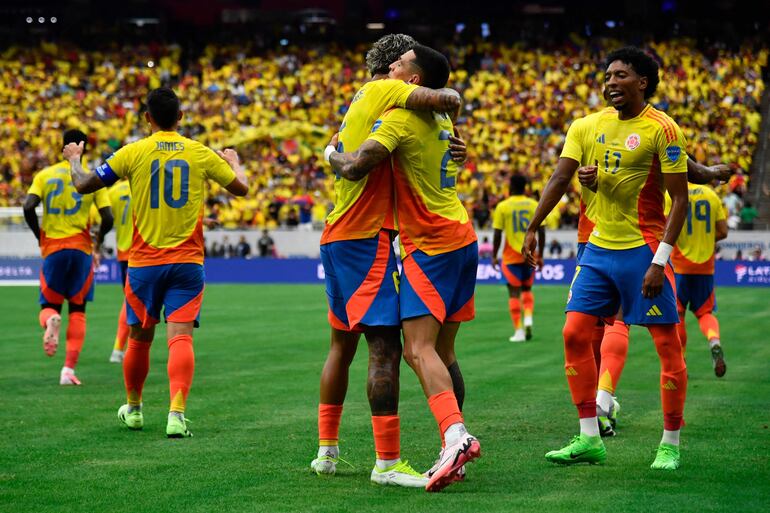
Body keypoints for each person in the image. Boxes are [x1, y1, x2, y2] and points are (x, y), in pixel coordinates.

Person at [523, 47, 689, 470]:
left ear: (643, 83)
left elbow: (680, 199)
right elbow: (560, 177)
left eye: (621, 75)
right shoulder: (586, 125)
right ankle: (589, 437)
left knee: (667, 347)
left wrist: (660, 261)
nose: (610, 82)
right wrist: (534, 224)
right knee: (574, 334)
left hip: (644, 251)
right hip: (597, 249)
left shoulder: (663, 129)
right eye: (608, 75)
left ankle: (669, 443)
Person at [312, 34, 465, 489]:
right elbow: (443, 97)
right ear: (396, 72)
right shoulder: (387, 93)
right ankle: (388, 462)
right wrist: (448, 103)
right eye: (399, 61)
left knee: (342, 343)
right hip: (366, 237)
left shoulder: (362, 101)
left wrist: (450, 138)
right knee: (387, 348)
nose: (400, 66)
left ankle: (326, 452)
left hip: (340, 232)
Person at [64, 87, 248, 438]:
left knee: (139, 339)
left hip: (144, 263)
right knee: (180, 339)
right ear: (181, 117)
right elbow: (241, 188)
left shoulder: (132, 152)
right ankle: (176, 415)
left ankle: (133, 409)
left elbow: (84, 184)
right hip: (188, 263)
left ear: (147, 118)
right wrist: (235, 164)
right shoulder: (199, 153)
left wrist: (74, 157)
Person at [23, 129, 114, 385]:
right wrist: (98, 243)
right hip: (82, 250)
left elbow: (28, 206)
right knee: (78, 310)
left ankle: (50, 321)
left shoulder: (45, 175)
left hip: (53, 249)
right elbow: (107, 218)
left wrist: (38, 234)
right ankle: (68, 371)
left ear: (63, 147)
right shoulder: (90, 178)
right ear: (82, 148)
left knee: (48, 306)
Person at [666, 183, 729, 377]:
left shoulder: (673, 194)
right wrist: (704, 239)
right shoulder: (712, 195)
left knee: (678, 314)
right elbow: (723, 231)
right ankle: (714, 340)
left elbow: (665, 227)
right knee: (705, 312)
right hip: (705, 266)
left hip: (679, 265)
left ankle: (681, 361)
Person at [491, 174, 544, 342]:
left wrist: (494, 255)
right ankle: (528, 318)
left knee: (513, 294)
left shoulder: (503, 206)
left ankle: (519, 331)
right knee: (527, 290)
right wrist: (540, 254)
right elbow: (542, 231)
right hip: (530, 255)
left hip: (511, 255)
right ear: (525, 188)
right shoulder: (534, 204)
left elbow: (497, 233)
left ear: (511, 187)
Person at [107, 178, 132, 363]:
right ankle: (119, 349)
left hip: (124, 253)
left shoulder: (114, 191)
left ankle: (120, 349)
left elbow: (102, 217)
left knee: (131, 301)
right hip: (146, 251)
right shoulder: (146, 181)